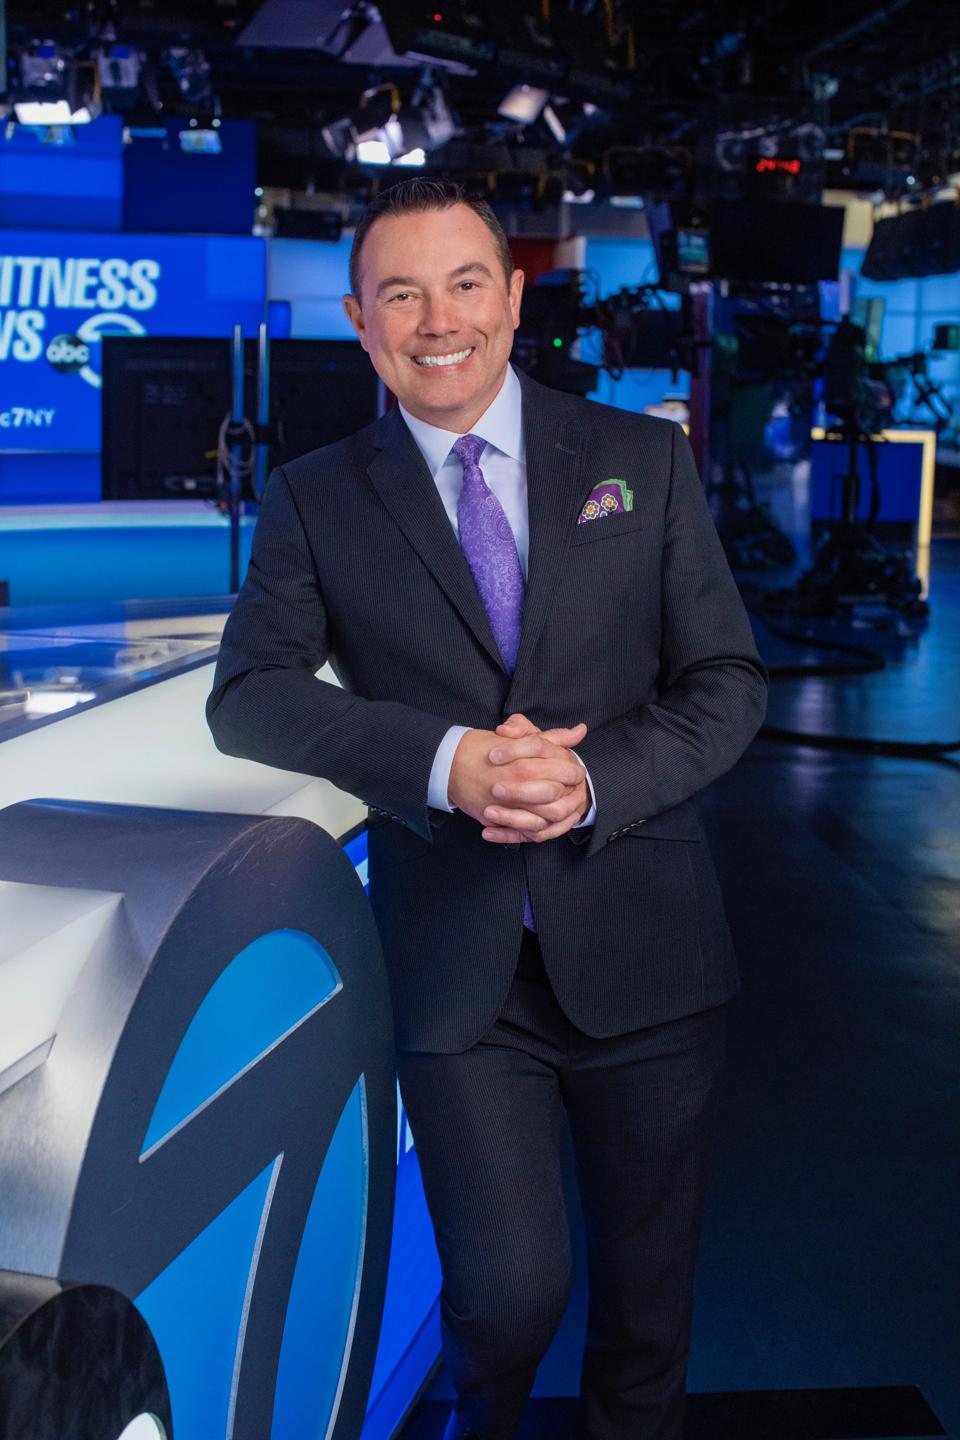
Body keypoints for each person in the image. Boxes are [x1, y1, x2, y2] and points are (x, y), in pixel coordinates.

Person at [207, 176, 767, 1440]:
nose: (437, 319)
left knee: (648, 1315)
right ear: (360, 321)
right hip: (459, 968)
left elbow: (728, 682)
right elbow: (249, 695)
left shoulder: (638, 459)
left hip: (649, 949)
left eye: (465, 284)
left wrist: (595, 779)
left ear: (514, 298)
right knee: (507, 1302)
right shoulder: (314, 495)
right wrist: (445, 760)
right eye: (401, 294)